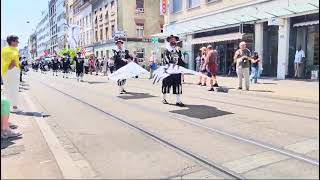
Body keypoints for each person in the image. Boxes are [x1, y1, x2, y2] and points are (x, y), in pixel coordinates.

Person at [161, 35, 185, 107]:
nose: (173, 41)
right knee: (166, 85)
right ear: (169, 41)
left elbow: (181, 60)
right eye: (172, 40)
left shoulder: (178, 50)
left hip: (177, 71)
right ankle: (164, 98)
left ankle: (178, 101)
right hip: (168, 71)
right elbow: (165, 60)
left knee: (178, 85)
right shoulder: (166, 50)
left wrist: (182, 69)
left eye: (174, 40)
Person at [1, 35, 21, 112]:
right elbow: (13, 61)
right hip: (13, 71)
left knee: (6, 88)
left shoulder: (3, 50)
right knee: (14, 89)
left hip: (4, 71)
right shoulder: (14, 50)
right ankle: (14, 108)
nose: (18, 42)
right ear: (12, 42)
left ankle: (5, 107)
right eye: (17, 41)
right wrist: (13, 66)